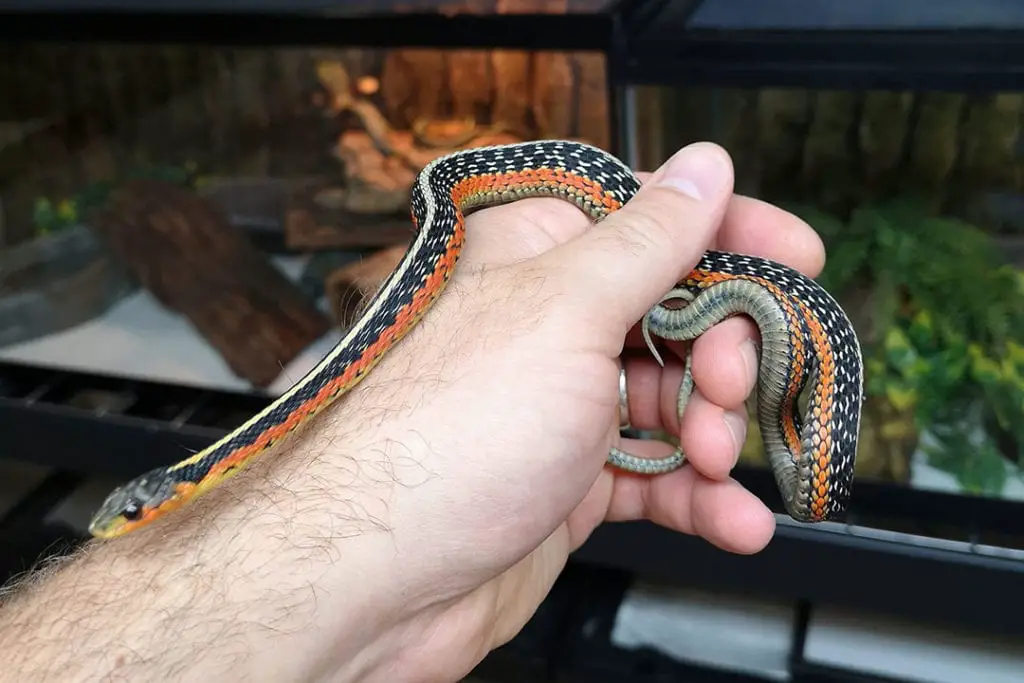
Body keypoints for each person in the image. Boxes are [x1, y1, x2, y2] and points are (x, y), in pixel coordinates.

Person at [0, 142, 824, 682]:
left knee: (772, 401)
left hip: (536, 200)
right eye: (130, 516)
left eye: (132, 511)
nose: (123, 521)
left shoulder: (454, 202)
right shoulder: (221, 461)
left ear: (164, 492)